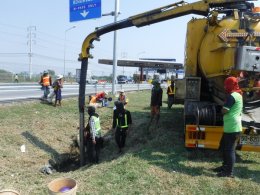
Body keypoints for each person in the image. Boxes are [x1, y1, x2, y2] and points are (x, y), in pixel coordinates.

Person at [214, 76, 243, 178]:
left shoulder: (232, 96)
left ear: (231, 85)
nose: (225, 86)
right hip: (232, 126)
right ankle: (224, 167)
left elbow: (225, 110)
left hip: (232, 127)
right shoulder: (238, 94)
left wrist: (221, 109)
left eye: (227, 84)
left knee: (229, 150)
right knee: (224, 147)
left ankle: (228, 172)